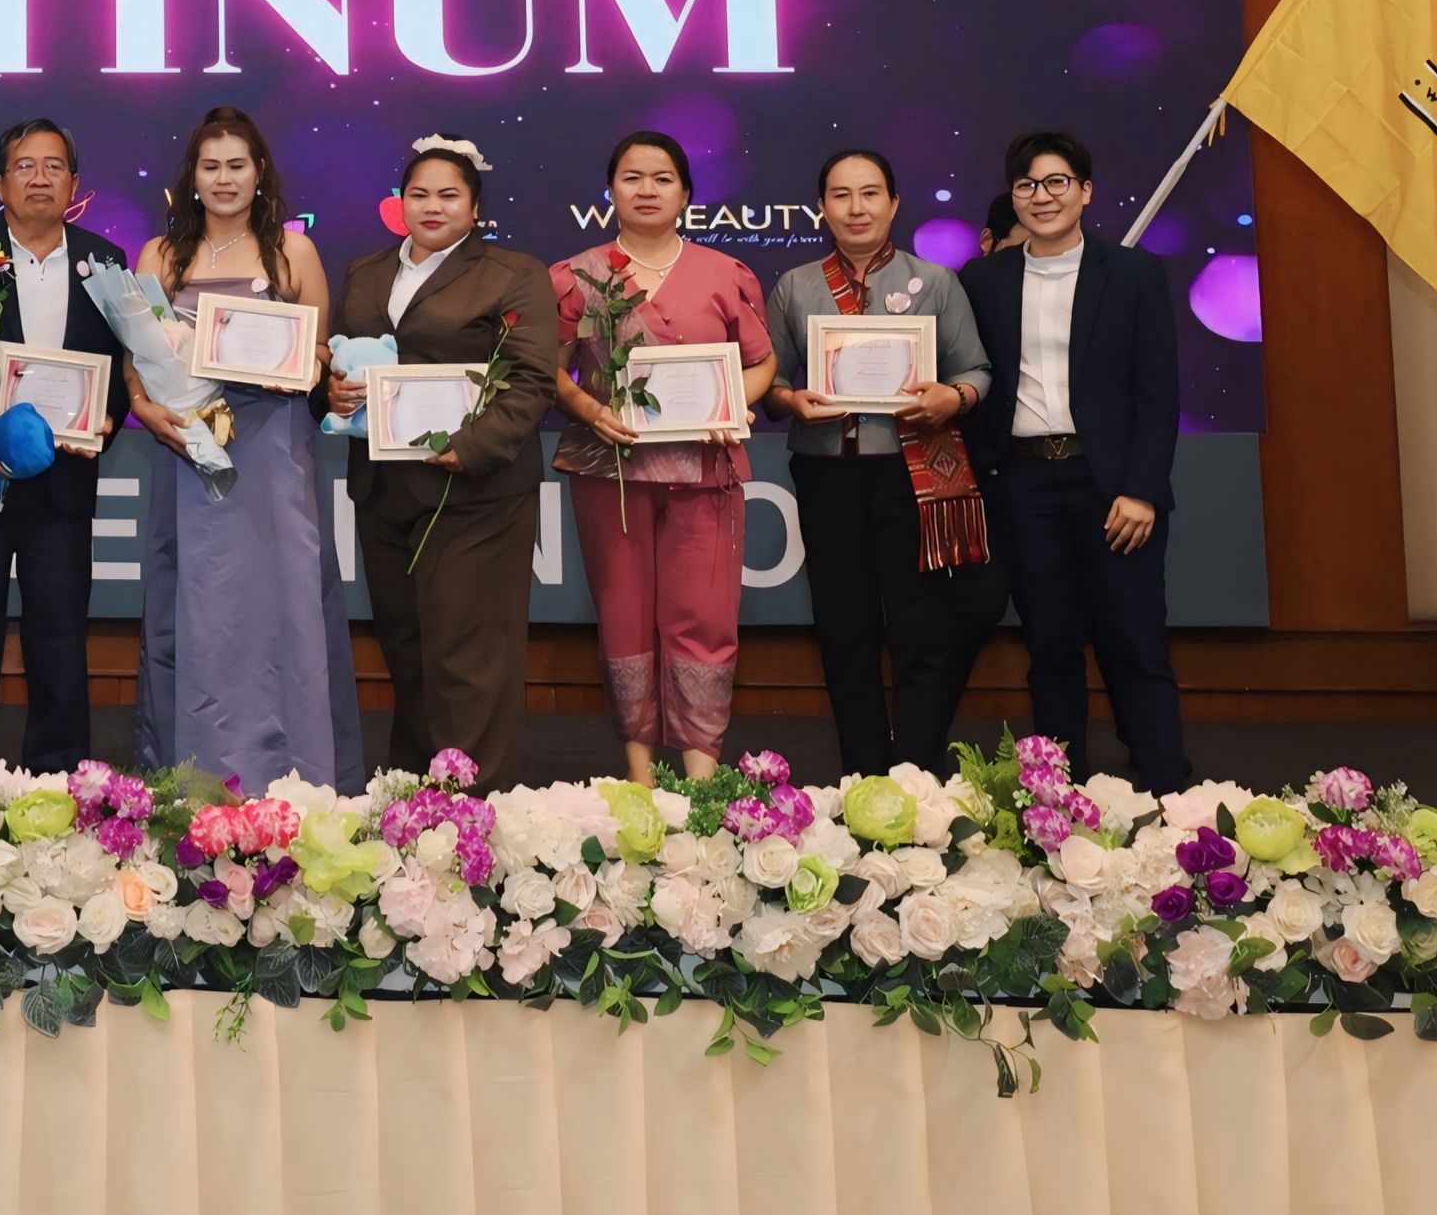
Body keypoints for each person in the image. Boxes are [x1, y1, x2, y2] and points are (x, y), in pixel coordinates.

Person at [121, 107, 360, 789]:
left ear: (259, 173)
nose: (224, 178)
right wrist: (143, 403)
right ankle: (194, 778)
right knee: (200, 608)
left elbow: (321, 350)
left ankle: (296, 776)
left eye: (236, 165)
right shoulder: (160, 255)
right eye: (211, 166)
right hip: (190, 451)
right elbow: (139, 356)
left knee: (283, 607)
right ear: (192, 177)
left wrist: (296, 363)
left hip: (273, 451)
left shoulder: (293, 252)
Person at [963, 129, 1190, 792]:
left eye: (1057, 181)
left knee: (1135, 643)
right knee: (1051, 647)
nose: (1043, 196)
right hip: (1023, 484)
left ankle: (1169, 796)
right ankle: (1057, 799)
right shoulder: (983, 280)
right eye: (1027, 184)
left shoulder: (1135, 274)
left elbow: (1157, 393)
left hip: (1112, 488)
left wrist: (1142, 489)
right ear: (1014, 197)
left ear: (1086, 191)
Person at [765, 147, 1003, 776]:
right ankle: (864, 780)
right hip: (828, 476)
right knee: (845, 634)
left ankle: (915, 775)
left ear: (894, 204)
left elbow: (978, 370)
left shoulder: (936, 281)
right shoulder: (795, 286)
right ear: (821, 208)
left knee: (920, 630)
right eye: (840, 195)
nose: (856, 208)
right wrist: (792, 401)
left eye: (870, 193)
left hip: (913, 477)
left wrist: (953, 397)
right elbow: (769, 383)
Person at [547, 132, 777, 783]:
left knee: (706, 613)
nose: (646, 189)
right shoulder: (574, 275)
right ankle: (640, 776)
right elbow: (548, 368)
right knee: (623, 612)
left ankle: (702, 778)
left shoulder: (725, 273)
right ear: (610, 190)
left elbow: (762, 363)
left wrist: (731, 407)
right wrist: (589, 409)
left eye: (662, 178)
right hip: (609, 469)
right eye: (632, 177)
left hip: (706, 468)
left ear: (686, 193)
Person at [332, 136, 559, 787]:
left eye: (449, 195)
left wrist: (475, 444)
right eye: (419, 194)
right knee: (406, 650)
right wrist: (334, 392)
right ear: (400, 203)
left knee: (468, 657)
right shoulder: (366, 271)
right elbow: (344, 358)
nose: (432, 206)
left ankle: (472, 808)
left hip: (476, 492)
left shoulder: (513, 272)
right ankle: (412, 801)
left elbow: (533, 378)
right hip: (383, 489)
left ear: (475, 206)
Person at [0, 118, 128, 775]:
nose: (39, 177)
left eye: (53, 166)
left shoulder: (106, 261)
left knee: (61, 638)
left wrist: (105, 419)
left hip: (64, 481)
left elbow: (121, 365)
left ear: (74, 182)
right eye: (24, 165)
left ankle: (61, 780)